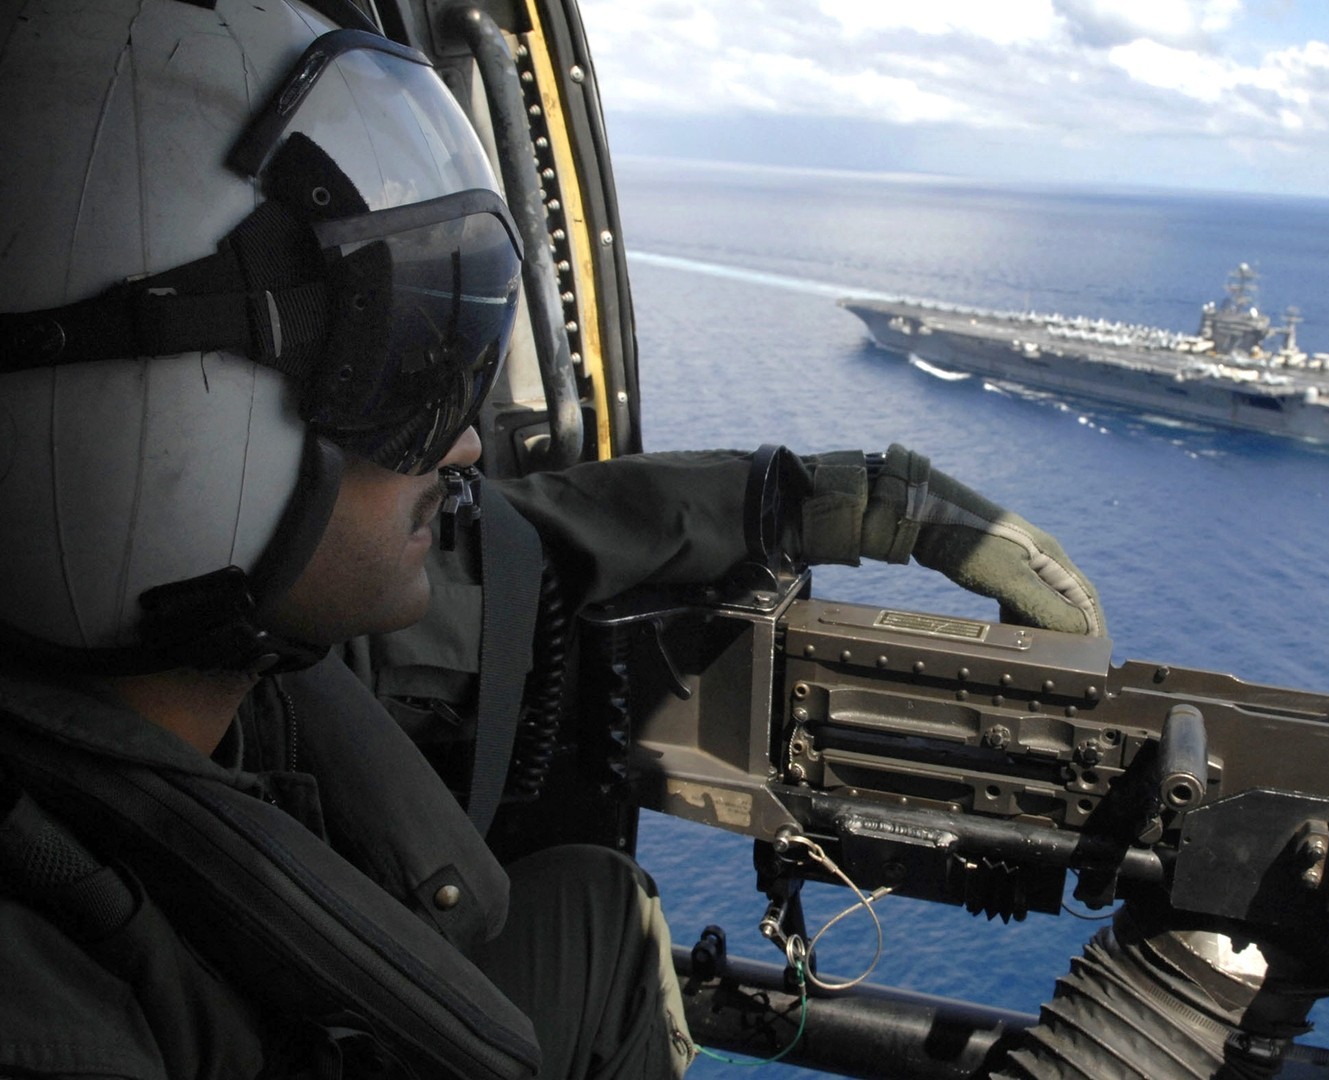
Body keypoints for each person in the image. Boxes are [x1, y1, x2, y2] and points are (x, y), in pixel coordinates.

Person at [0, 2, 1103, 1078]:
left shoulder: (246, 654)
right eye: (398, 374)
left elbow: (517, 546)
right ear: (147, 424)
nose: (469, 447)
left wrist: (861, 503)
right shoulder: (45, 1011)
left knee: (592, 906)